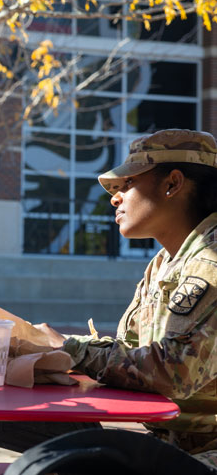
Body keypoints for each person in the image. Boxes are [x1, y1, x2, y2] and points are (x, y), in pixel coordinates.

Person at [59, 128, 217, 469]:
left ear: (172, 184)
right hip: (175, 445)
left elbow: (174, 371)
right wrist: (47, 349)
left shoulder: (211, 259)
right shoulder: (164, 262)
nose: (115, 199)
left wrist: (67, 348)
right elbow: (130, 354)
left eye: (127, 183)